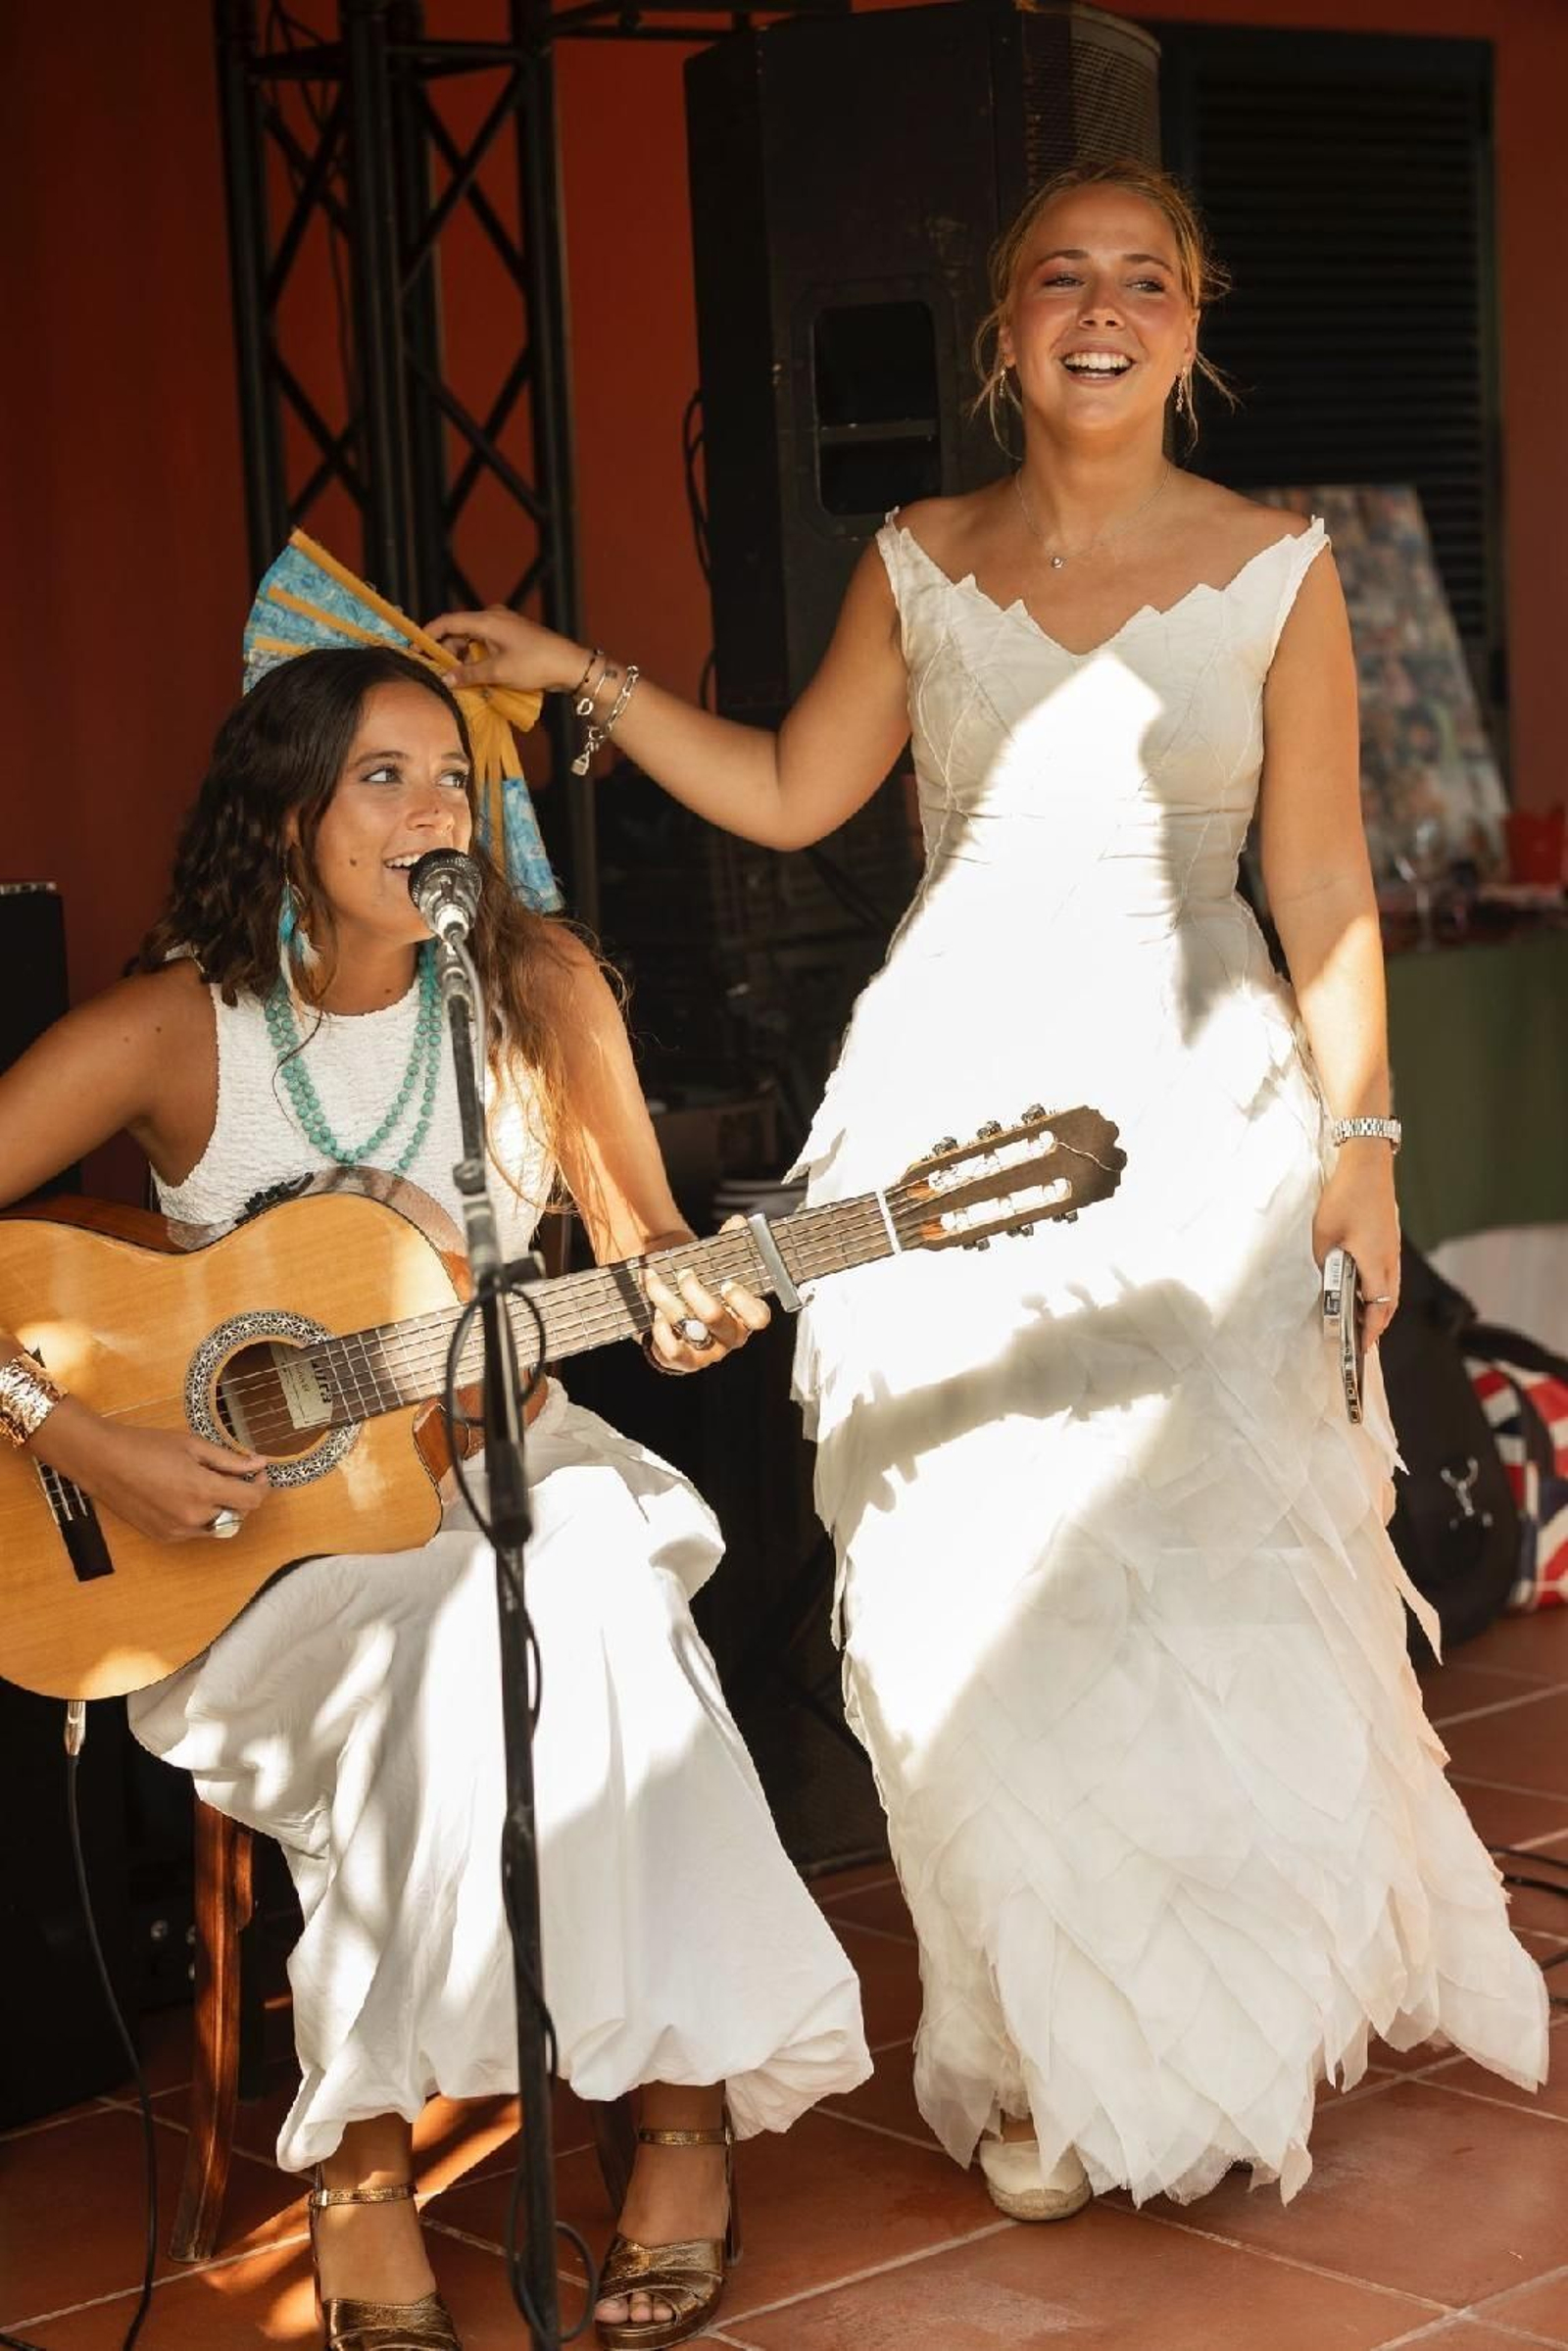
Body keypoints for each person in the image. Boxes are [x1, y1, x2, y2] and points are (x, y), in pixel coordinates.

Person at [428, 158, 1547, 2219]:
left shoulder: (1275, 565)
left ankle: (1205, 2042)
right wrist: (574, 679)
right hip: (940, 1091)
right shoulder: (917, 556)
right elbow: (786, 789)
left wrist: (1363, 1148)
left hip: (1191, 1083)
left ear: (1191, 324)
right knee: (962, 1557)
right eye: (1060, 278)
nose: (1099, 309)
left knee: (1190, 1554)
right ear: (1002, 327)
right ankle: (1048, 2050)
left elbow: (1313, 885)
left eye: (1143, 280)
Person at [0, 643, 870, 2350]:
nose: (428, 812)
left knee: (584, 1586)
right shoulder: (180, 1028)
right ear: (288, 811)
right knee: (466, 1635)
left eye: (453, 778)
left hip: (513, 1464)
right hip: (238, 1549)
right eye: (382, 779)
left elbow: (641, 1254)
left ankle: (648, 2125)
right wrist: (82, 1438)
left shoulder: (537, 993)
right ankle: (383, 2154)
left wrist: (696, 1304)